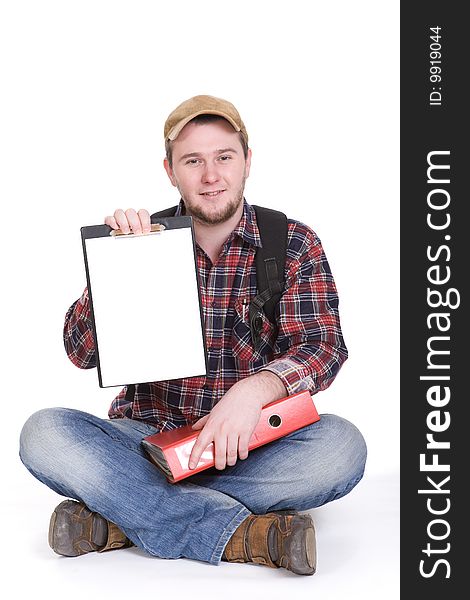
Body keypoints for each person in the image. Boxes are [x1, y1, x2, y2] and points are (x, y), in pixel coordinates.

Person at [19, 94, 367, 576]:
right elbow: (79, 352)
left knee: (341, 448)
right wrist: (113, 264)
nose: (211, 176)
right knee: (43, 433)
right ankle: (243, 535)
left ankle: (123, 517)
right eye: (193, 161)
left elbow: (323, 346)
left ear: (247, 161)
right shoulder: (143, 242)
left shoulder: (291, 241)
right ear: (170, 170)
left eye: (224, 157)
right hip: (147, 442)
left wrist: (254, 392)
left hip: (249, 446)